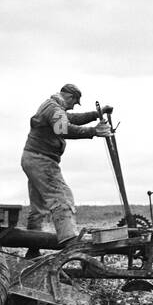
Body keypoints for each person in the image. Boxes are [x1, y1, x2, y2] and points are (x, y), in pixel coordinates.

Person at [21, 83, 112, 253]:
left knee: (38, 209)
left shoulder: (52, 107)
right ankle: (70, 244)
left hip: (32, 158)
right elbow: (63, 129)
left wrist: (97, 114)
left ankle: (32, 250)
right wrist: (94, 131)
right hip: (42, 161)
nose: (72, 107)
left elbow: (72, 119)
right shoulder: (54, 109)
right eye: (74, 103)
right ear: (70, 97)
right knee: (62, 198)